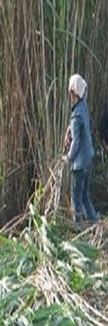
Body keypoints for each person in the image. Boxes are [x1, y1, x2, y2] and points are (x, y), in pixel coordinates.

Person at [63, 73, 98, 223]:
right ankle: (96, 224)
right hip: (89, 158)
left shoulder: (76, 116)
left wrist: (68, 158)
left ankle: (78, 233)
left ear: (72, 92)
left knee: (76, 200)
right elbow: (79, 130)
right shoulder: (83, 107)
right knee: (85, 196)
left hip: (79, 164)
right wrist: (69, 129)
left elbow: (76, 142)